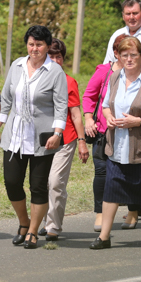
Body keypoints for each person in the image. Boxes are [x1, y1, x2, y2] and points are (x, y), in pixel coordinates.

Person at [91, 34, 141, 251]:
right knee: (110, 193)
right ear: (118, 56)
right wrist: (109, 117)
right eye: (124, 55)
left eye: (133, 55)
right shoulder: (115, 77)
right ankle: (104, 237)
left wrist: (139, 121)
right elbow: (105, 105)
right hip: (116, 147)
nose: (129, 59)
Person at [0, 25, 68, 250]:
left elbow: (61, 106)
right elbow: (6, 99)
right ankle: (23, 222)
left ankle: (33, 231)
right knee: (12, 182)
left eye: (39, 45)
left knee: (38, 186)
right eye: (31, 44)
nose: (35, 49)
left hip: (42, 138)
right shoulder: (16, 66)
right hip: (15, 135)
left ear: (47, 46)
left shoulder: (55, 71)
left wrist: (57, 134)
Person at [40, 39, 89, 240]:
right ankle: (42, 221)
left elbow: (76, 115)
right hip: (41, 139)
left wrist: (82, 141)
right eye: (50, 56)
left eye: (58, 57)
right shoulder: (37, 79)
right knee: (41, 182)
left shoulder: (69, 82)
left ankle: (53, 225)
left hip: (65, 138)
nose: (54, 60)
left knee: (55, 182)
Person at [82, 60, 114, 232]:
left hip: (129, 132)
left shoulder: (139, 72)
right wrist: (89, 119)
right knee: (101, 171)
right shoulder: (104, 71)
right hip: (102, 131)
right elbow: (89, 96)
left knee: (129, 172)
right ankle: (100, 212)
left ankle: (133, 210)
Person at [102, 0, 141, 64]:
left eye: (135, 13)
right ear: (123, 16)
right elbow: (108, 64)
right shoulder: (116, 35)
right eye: (128, 14)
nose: (131, 17)